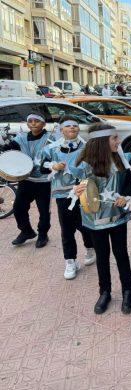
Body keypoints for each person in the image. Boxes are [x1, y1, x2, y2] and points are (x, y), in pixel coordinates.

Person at [72, 123, 131, 315]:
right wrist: (76, 191)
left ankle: (127, 292)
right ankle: (105, 292)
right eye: (114, 138)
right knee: (102, 257)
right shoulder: (84, 166)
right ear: (102, 142)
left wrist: (125, 196)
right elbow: (78, 189)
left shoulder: (119, 161)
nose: (118, 141)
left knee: (121, 254)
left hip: (117, 218)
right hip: (95, 221)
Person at [41, 116, 95, 279]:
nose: (72, 128)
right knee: (67, 229)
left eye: (75, 125)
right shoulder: (51, 149)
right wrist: (54, 166)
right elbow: (42, 168)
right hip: (63, 194)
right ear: (61, 130)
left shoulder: (87, 148)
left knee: (84, 224)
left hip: (83, 192)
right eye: (68, 126)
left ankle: (90, 247)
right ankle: (70, 261)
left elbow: (94, 168)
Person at [1, 112, 53, 248]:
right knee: (18, 207)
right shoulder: (21, 138)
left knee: (44, 210)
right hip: (26, 179)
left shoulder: (50, 139)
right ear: (27, 124)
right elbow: (8, 149)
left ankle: (43, 234)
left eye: (37, 121)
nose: (34, 123)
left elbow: (54, 157)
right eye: (30, 121)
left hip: (43, 181)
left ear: (44, 124)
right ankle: (26, 231)